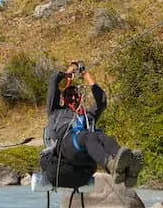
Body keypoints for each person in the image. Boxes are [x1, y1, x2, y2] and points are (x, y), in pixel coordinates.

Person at [38, 60, 142, 189]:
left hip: (84, 160)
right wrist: (68, 72)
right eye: (70, 95)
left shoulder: (87, 116)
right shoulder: (56, 111)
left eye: (76, 96)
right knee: (88, 135)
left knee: (101, 136)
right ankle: (109, 164)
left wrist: (86, 75)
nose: (74, 98)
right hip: (64, 150)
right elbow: (53, 80)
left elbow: (102, 101)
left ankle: (126, 168)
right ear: (63, 99)